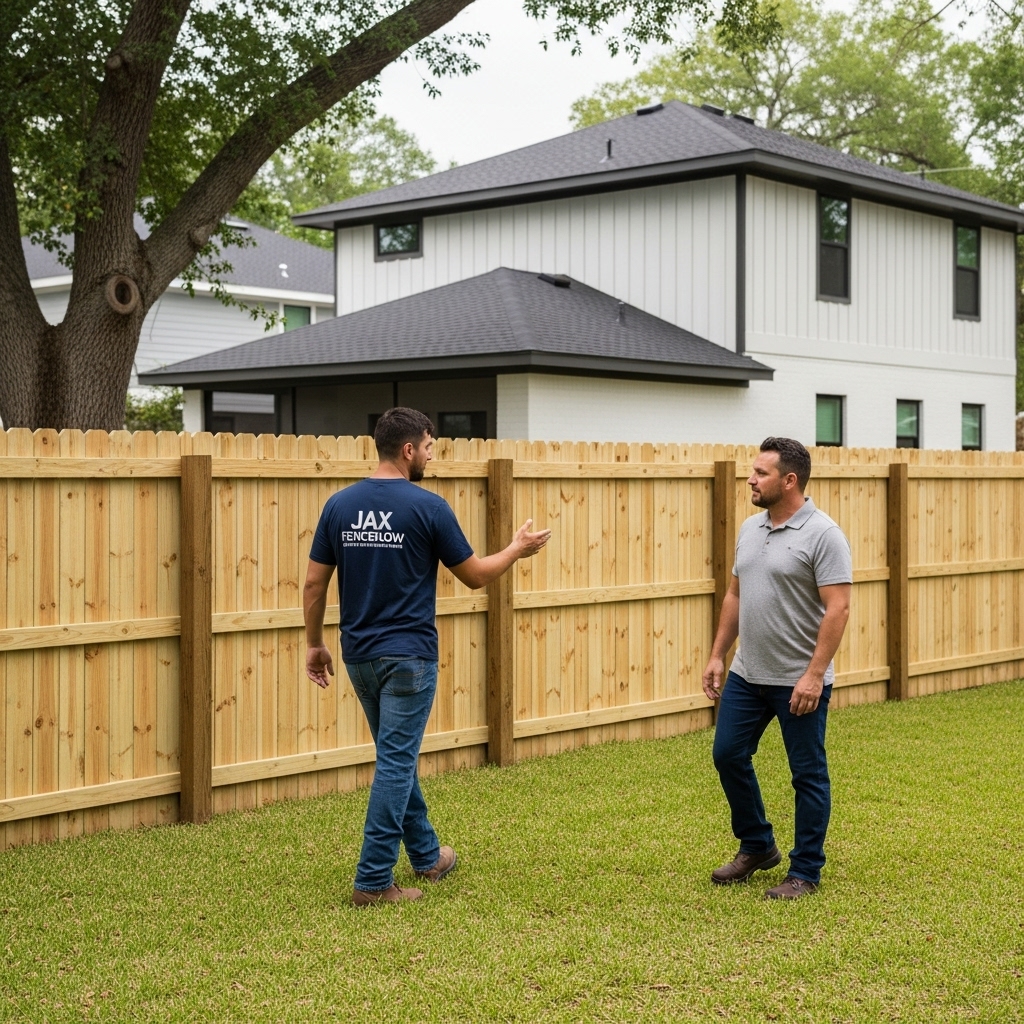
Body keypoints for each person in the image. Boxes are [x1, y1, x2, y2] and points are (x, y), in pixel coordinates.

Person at [303, 408, 551, 907]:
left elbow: (313, 583)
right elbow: (476, 575)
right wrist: (516, 549)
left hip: (360, 657)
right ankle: (373, 881)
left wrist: (314, 643)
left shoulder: (338, 505)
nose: (433, 458)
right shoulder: (429, 507)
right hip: (409, 659)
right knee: (396, 763)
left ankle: (427, 855)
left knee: (398, 758)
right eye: (431, 448)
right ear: (408, 449)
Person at [701, 437, 851, 900]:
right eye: (752, 471)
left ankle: (804, 871)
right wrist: (717, 655)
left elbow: (839, 607)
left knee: (806, 774)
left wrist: (813, 674)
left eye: (760, 473)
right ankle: (758, 845)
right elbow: (734, 594)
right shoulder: (750, 528)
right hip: (749, 673)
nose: (750, 479)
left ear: (790, 480)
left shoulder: (824, 534)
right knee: (727, 754)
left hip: (797, 679)